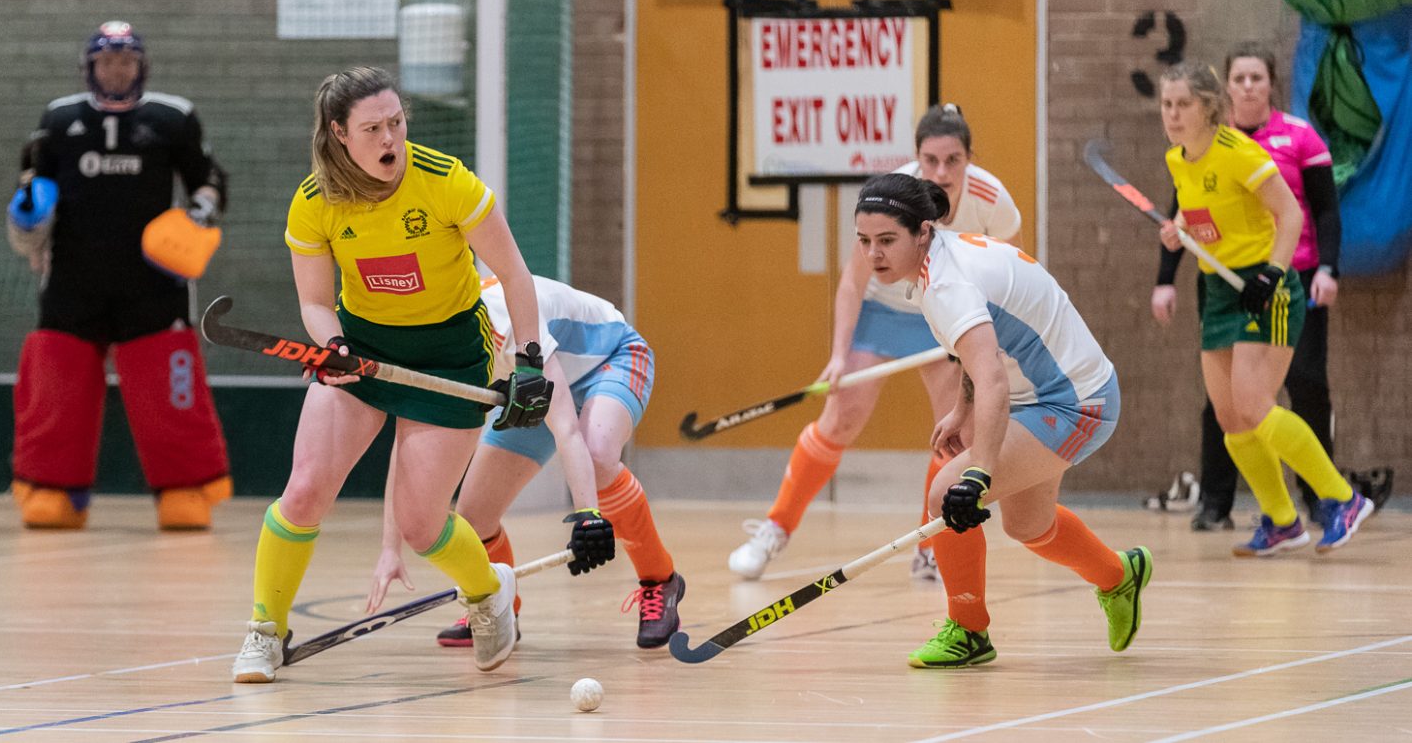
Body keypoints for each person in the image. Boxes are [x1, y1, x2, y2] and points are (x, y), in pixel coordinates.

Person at [230, 66, 558, 683]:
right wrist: (333, 347)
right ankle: (265, 632)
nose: (391, 140)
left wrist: (532, 360)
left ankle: (489, 593)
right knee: (303, 491)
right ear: (339, 135)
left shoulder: (446, 182)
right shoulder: (313, 202)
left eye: (397, 123)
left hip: (451, 353)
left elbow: (514, 274)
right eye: (373, 128)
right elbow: (314, 301)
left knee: (419, 524)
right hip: (362, 346)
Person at [837, 173, 1149, 668]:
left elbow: (993, 380)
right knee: (1029, 526)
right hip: (1041, 395)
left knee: (945, 492)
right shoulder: (939, 260)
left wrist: (978, 473)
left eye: (887, 240)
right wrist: (962, 410)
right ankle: (1119, 576)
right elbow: (980, 352)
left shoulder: (946, 282)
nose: (874, 254)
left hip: (1074, 403)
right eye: (864, 241)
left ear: (922, 231)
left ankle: (968, 630)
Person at [729, 104, 1021, 583]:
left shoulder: (992, 199)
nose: (942, 172)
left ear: (970, 158)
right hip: (883, 308)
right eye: (931, 160)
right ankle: (774, 529)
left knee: (954, 434)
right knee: (840, 418)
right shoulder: (894, 196)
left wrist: (989, 341)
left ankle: (929, 544)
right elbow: (851, 282)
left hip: (944, 314)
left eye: (953, 160)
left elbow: (1012, 271)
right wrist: (840, 355)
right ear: (916, 157)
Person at [368, 275, 685, 650]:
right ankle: (500, 608)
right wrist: (390, 548)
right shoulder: (431, 349)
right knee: (475, 514)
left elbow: (566, 429)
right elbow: (405, 444)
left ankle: (659, 580)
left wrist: (589, 515)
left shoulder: (507, 324)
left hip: (609, 359)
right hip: (527, 392)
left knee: (597, 455)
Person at [1153, 44, 1392, 531]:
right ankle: (1281, 520)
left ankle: (1341, 498)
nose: (1173, 115)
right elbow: (1202, 211)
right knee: (1229, 416)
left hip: (1266, 282)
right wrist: (1179, 227)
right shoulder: (1179, 159)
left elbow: (1294, 213)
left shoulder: (1242, 153)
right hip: (1218, 289)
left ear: (1207, 106)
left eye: (1183, 104)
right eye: (1166, 105)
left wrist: (1275, 273)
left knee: (1258, 404)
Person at [5, 20, 231, 532]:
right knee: (57, 389)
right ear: (91, 67)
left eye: (126, 61)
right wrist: (25, 219)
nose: (116, 70)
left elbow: (210, 182)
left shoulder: (174, 117)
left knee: (168, 391)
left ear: (141, 66)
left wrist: (198, 213)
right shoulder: (59, 120)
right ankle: (52, 490)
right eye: (107, 62)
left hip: (153, 284)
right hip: (71, 280)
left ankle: (184, 488)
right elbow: (31, 186)